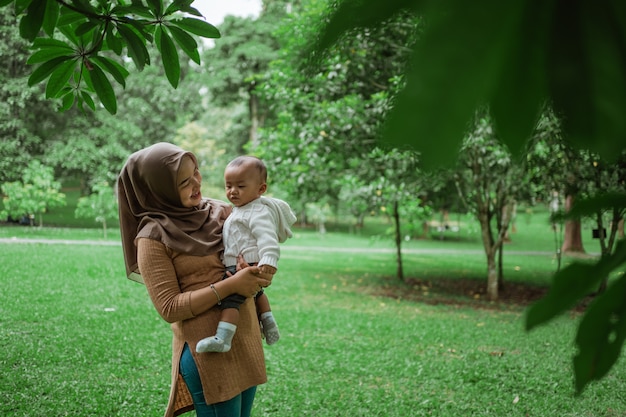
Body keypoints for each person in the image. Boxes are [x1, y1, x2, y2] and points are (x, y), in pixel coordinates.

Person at [117, 142, 272, 417]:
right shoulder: (152, 238)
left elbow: (257, 251)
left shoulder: (222, 212)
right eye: (184, 182)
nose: (197, 183)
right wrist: (232, 286)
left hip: (246, 338)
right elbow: (170, 308)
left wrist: (260, 273)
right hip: (207, 353)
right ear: (158, 190)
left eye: (196, 172)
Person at [197, 156, 296, 353]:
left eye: (240, 186)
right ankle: (269, 325)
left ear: (261, 189)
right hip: (246, 261)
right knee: (258, 292)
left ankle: (223, 338)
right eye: (228, 186)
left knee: (231, 299)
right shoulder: (242, 209)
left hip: (247, 263)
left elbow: (268, 238)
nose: (233, 191)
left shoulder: (257, 212)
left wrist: (268, 260)